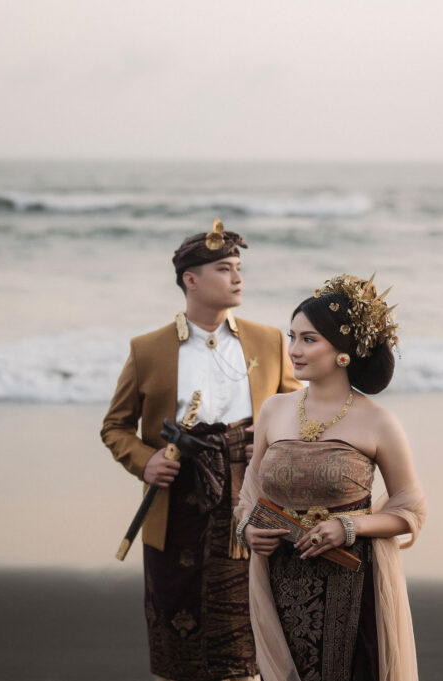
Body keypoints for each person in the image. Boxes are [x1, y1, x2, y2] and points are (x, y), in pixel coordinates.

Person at [101, 218, 301, 681]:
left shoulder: (269, 341)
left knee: (248, 629)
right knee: (177, 625)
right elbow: (115, 426)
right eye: (224, 269)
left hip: (249, 501)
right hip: (176, 504)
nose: (237, 277)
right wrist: (145, 461)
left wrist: (275, 444)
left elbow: (297, 416)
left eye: (238, 268)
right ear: (190, 280)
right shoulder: (148, 349)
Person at [235, 274, 427, 681]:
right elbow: (251, 490)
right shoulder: (274, 409)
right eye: (292, 337)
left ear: (343, 352)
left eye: (309, 339)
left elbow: (410, 509)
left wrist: (350, 526)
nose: (293, 350)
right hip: (277, 578)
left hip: (350, 580)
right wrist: (247, 530)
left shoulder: (379, 422)